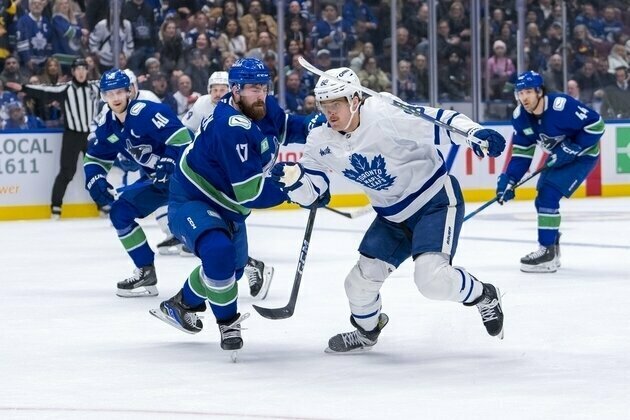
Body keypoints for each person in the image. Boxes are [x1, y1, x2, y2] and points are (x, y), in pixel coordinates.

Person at [270, 67, 507, 353]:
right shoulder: (320, 140)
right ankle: (367, 332)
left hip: (434, 202)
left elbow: (438, 122)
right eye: (324, 105)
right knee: (357, 284)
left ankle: (484, 295)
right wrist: (294, 182)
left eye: (337, 104)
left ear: (355, 100)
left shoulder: (385, 114)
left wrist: (473, 133)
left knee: (430, 280)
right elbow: (313, 193)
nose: (329, 112)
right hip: (391, 217)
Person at [150, 58, 324, 354]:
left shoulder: (262, 107)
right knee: (219, 254)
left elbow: (286, 127)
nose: (260, 94)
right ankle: (227, 324)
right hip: (193, 197)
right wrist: (294, 190)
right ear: (234, 90)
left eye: (264, 87)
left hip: (230, 206)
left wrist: (317, 126)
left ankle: (180, 304)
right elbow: (250, 194)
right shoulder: (230, 126)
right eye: (252, 88)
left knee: (231, 272)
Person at [84, 69, 193, 297]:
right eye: (109, 93)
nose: (115, 98)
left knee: (195, 232)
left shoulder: (147, 112)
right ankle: (145, 272)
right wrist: (95, 179)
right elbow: (96, 157)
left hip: (188, 179)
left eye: (119, 92)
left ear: (129, 91)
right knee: (120, 212)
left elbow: (183, 139)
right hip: (158, 182)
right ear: (103, 96)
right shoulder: (109, 124)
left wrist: (169, 161)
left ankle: (248, 264)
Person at [180, 70, 276, 299]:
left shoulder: (249, 110)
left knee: (230, 259)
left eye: (221, 89)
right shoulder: (205, 106)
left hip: (229, 179)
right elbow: (183, 130)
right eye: (214, 89)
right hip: (209, 173)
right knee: (221, 253)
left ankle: (247, 265)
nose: (217, 93)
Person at [496, 71, 604, 272]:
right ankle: (551, 248)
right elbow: (521, 155)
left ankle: (546, 252)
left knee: (548, 195)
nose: (524, 97)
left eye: (528, 91)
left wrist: (574, 147)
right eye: (520, 93)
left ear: (539, 91)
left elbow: (596, 125)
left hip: (583, 156)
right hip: (560, 155)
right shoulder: (520, 118)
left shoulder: (561, 106)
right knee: (542, 197)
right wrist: (509, 179)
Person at [6, 58, 101, 219]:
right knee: (67, 172)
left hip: (90, 135)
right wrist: (23, 87)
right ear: (72, 72)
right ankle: (56, 206)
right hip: (72, 134)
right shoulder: (66, 88)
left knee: (96, 170)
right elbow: (44, 91)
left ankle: (102, 204)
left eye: (83, 69)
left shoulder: (95, 87)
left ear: (87, 71)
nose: (80, 72)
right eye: (77, 69)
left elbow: (114, 85)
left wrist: (133, 81)